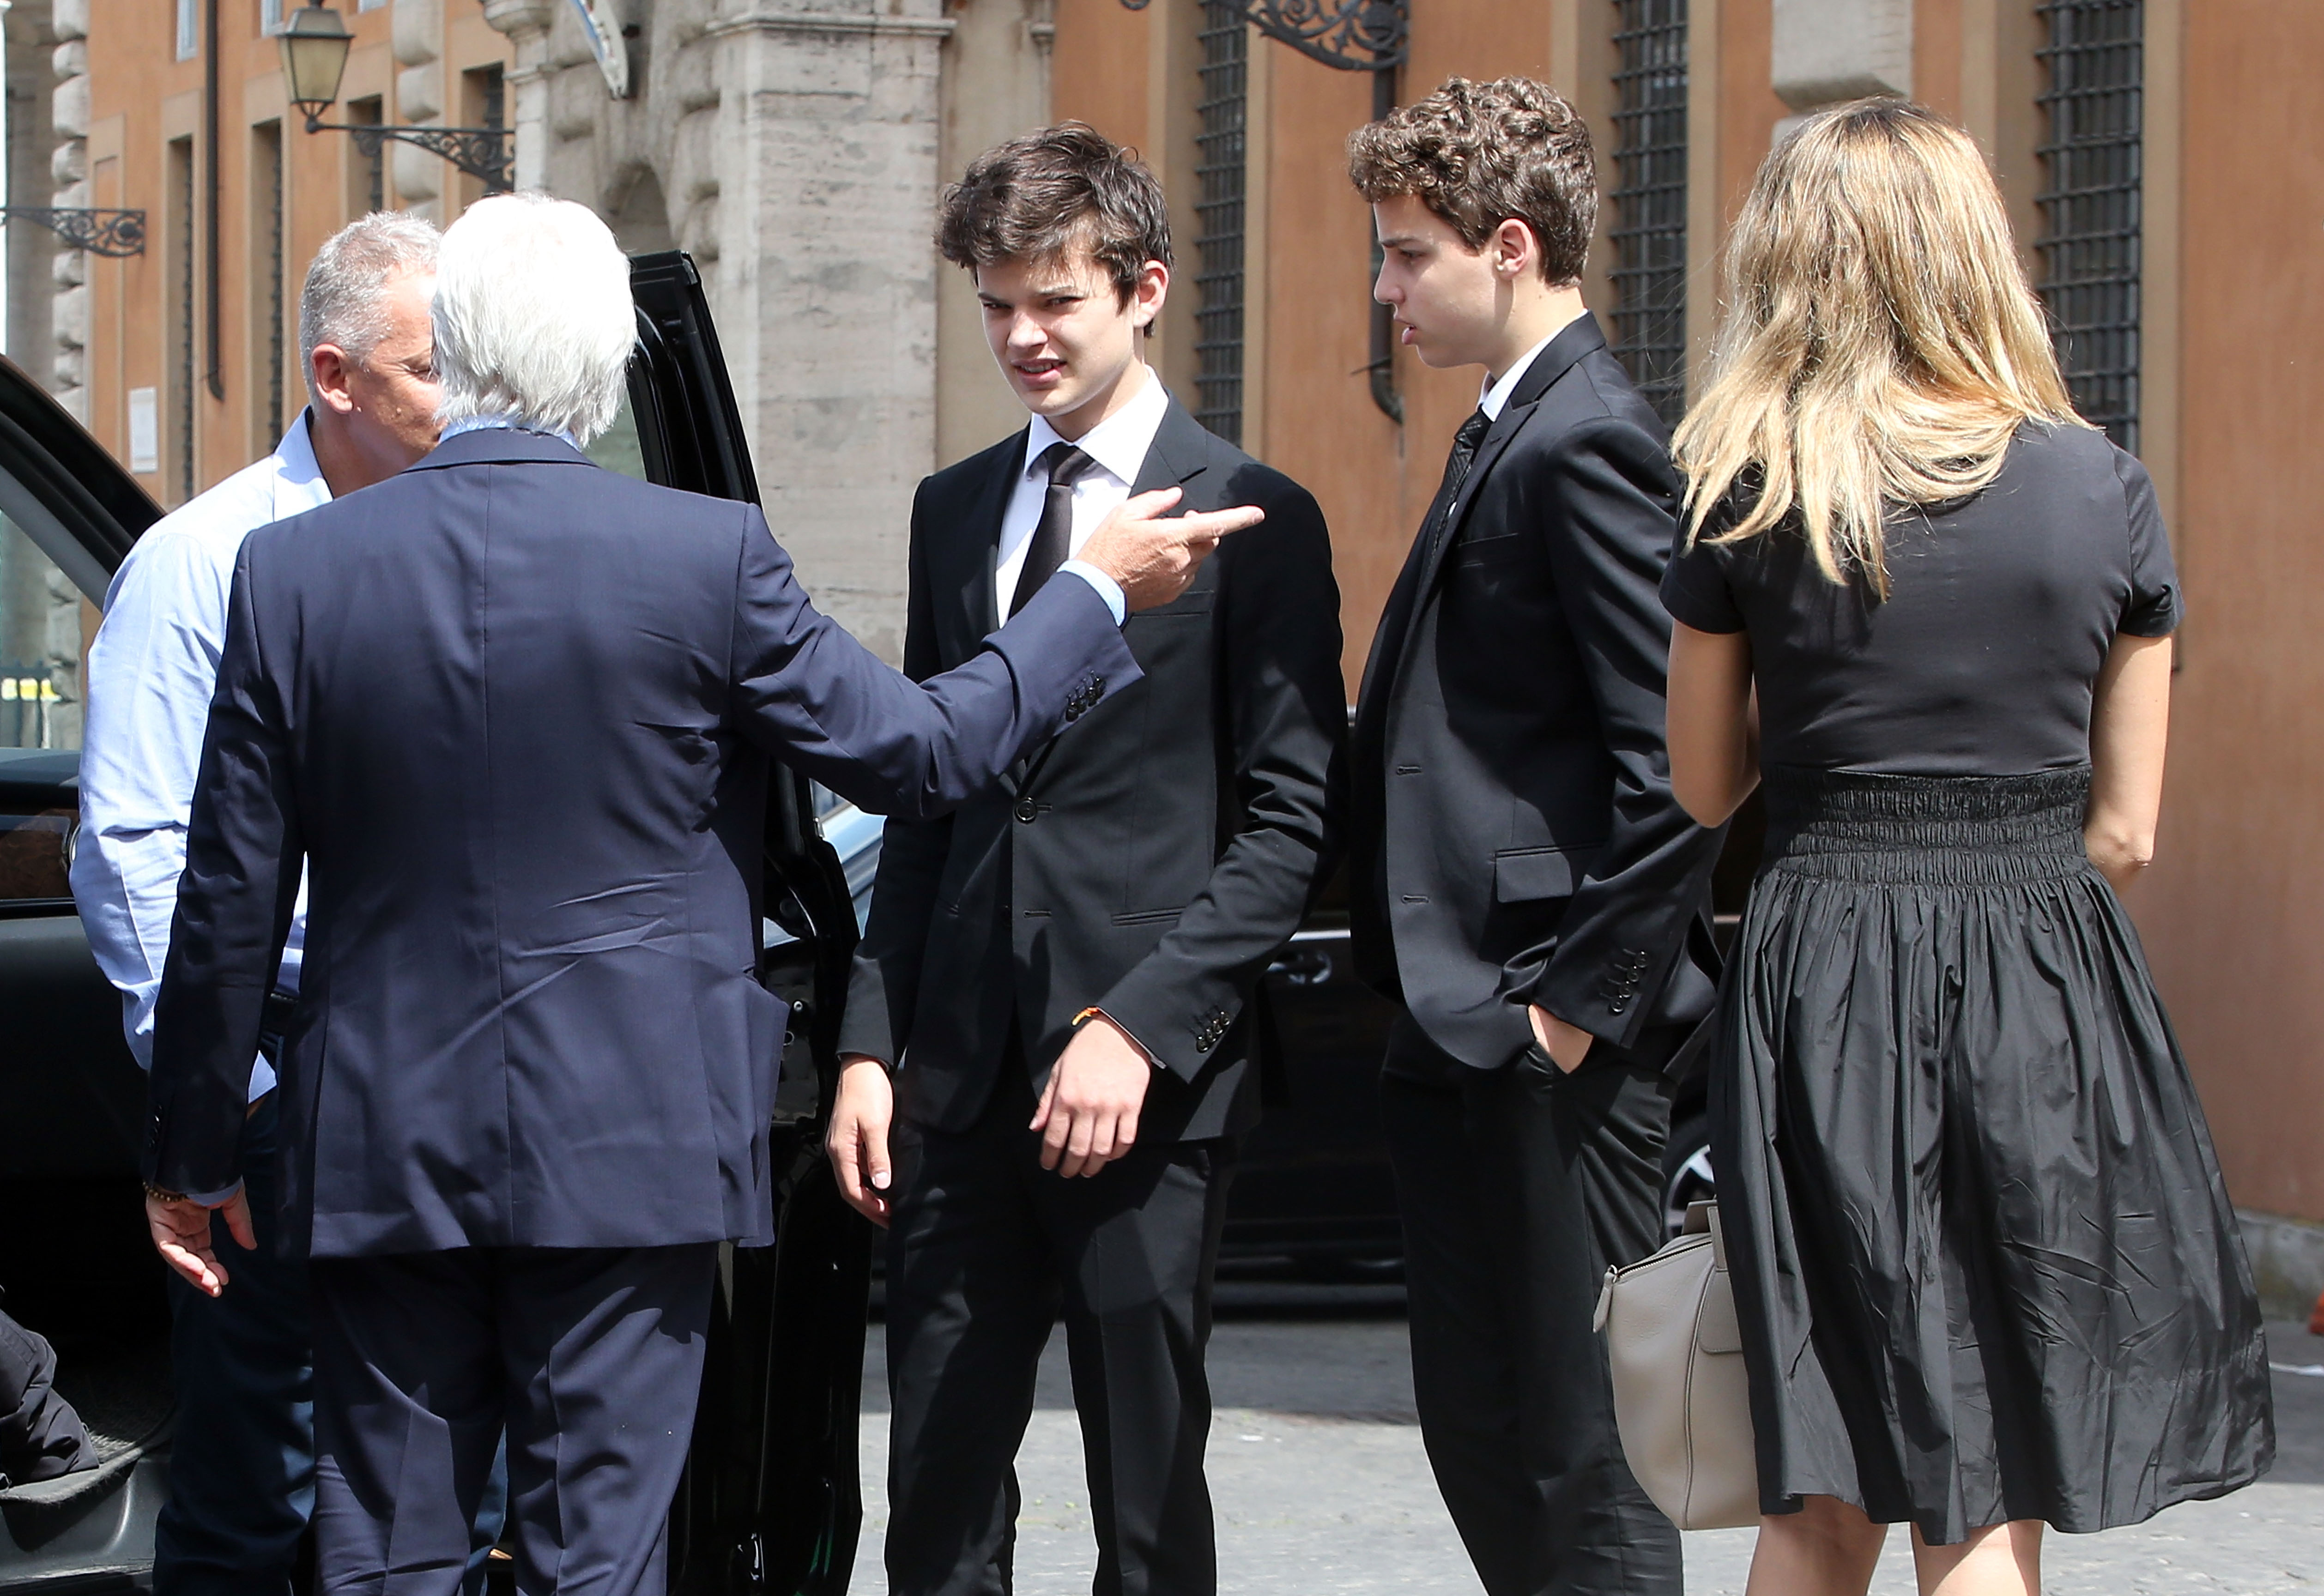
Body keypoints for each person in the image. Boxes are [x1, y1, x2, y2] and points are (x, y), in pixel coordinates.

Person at [138, 192, 1255, 1596]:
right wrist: (1089, 595)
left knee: (387, 1560)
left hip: (383, 1143)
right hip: (629, 1143)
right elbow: (927, 753)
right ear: (608, 370)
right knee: (595, 1561)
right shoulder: (702, 556)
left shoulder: (292, 571)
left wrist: (190, 1154)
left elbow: (230, 890)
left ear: (461, 348)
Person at [1661, 99, 2273, 1596]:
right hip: (2040, 978)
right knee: (1987, 1473)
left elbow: (1701, 787)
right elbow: (2125, 827)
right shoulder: (2100, 489)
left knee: (1815, 1485)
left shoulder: (1750, 487)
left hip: (1820, 969)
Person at [827, 124, 1345, 1596]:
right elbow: (927, 796)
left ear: (1145, 291)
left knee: (1148, 1505)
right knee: (931, 1500)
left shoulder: (1261, 513)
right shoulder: (952, 509)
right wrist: (876, 1047)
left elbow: (1290, 822)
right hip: (958, 1078)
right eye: (996, 303)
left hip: (1148, 1087)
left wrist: (1143, 1028)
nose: (1021, 336)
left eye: (1054, 300)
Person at [69, 211, 512, 1595]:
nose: (468, 401)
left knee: (449, 1480)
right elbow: (139, 853)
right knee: (264, 1478)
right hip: (286, 1065)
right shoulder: (205, 563)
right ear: (334, 378)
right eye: (437, 368)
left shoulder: (491, 541)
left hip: (462, 1076)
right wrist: (237, 1100)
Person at [1344, 77, 1723, 1595]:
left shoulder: (1592, 441)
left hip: (1543, 1036)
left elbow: (1681, 771)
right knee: (1484, 1434)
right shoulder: (1508, 427)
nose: (1385, 290)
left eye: (1407, 254)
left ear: (1509, 245)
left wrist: (1569, 1014)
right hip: (1456, 1026)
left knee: (1592, 1456)